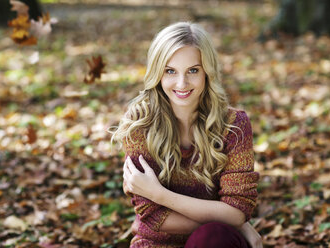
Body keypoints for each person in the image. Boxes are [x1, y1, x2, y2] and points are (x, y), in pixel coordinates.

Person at [111, 21, 262, 248]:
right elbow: (151, 216)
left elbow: (237, 209)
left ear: (207, 73)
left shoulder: (234, 126)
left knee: (212, 237)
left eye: (193, 70)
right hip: (155, 244)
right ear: (157, 73)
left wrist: (160, 195)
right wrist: (233, 221)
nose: (182, 83)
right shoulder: (140, 123)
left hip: (214, 243)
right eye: (170, 71)